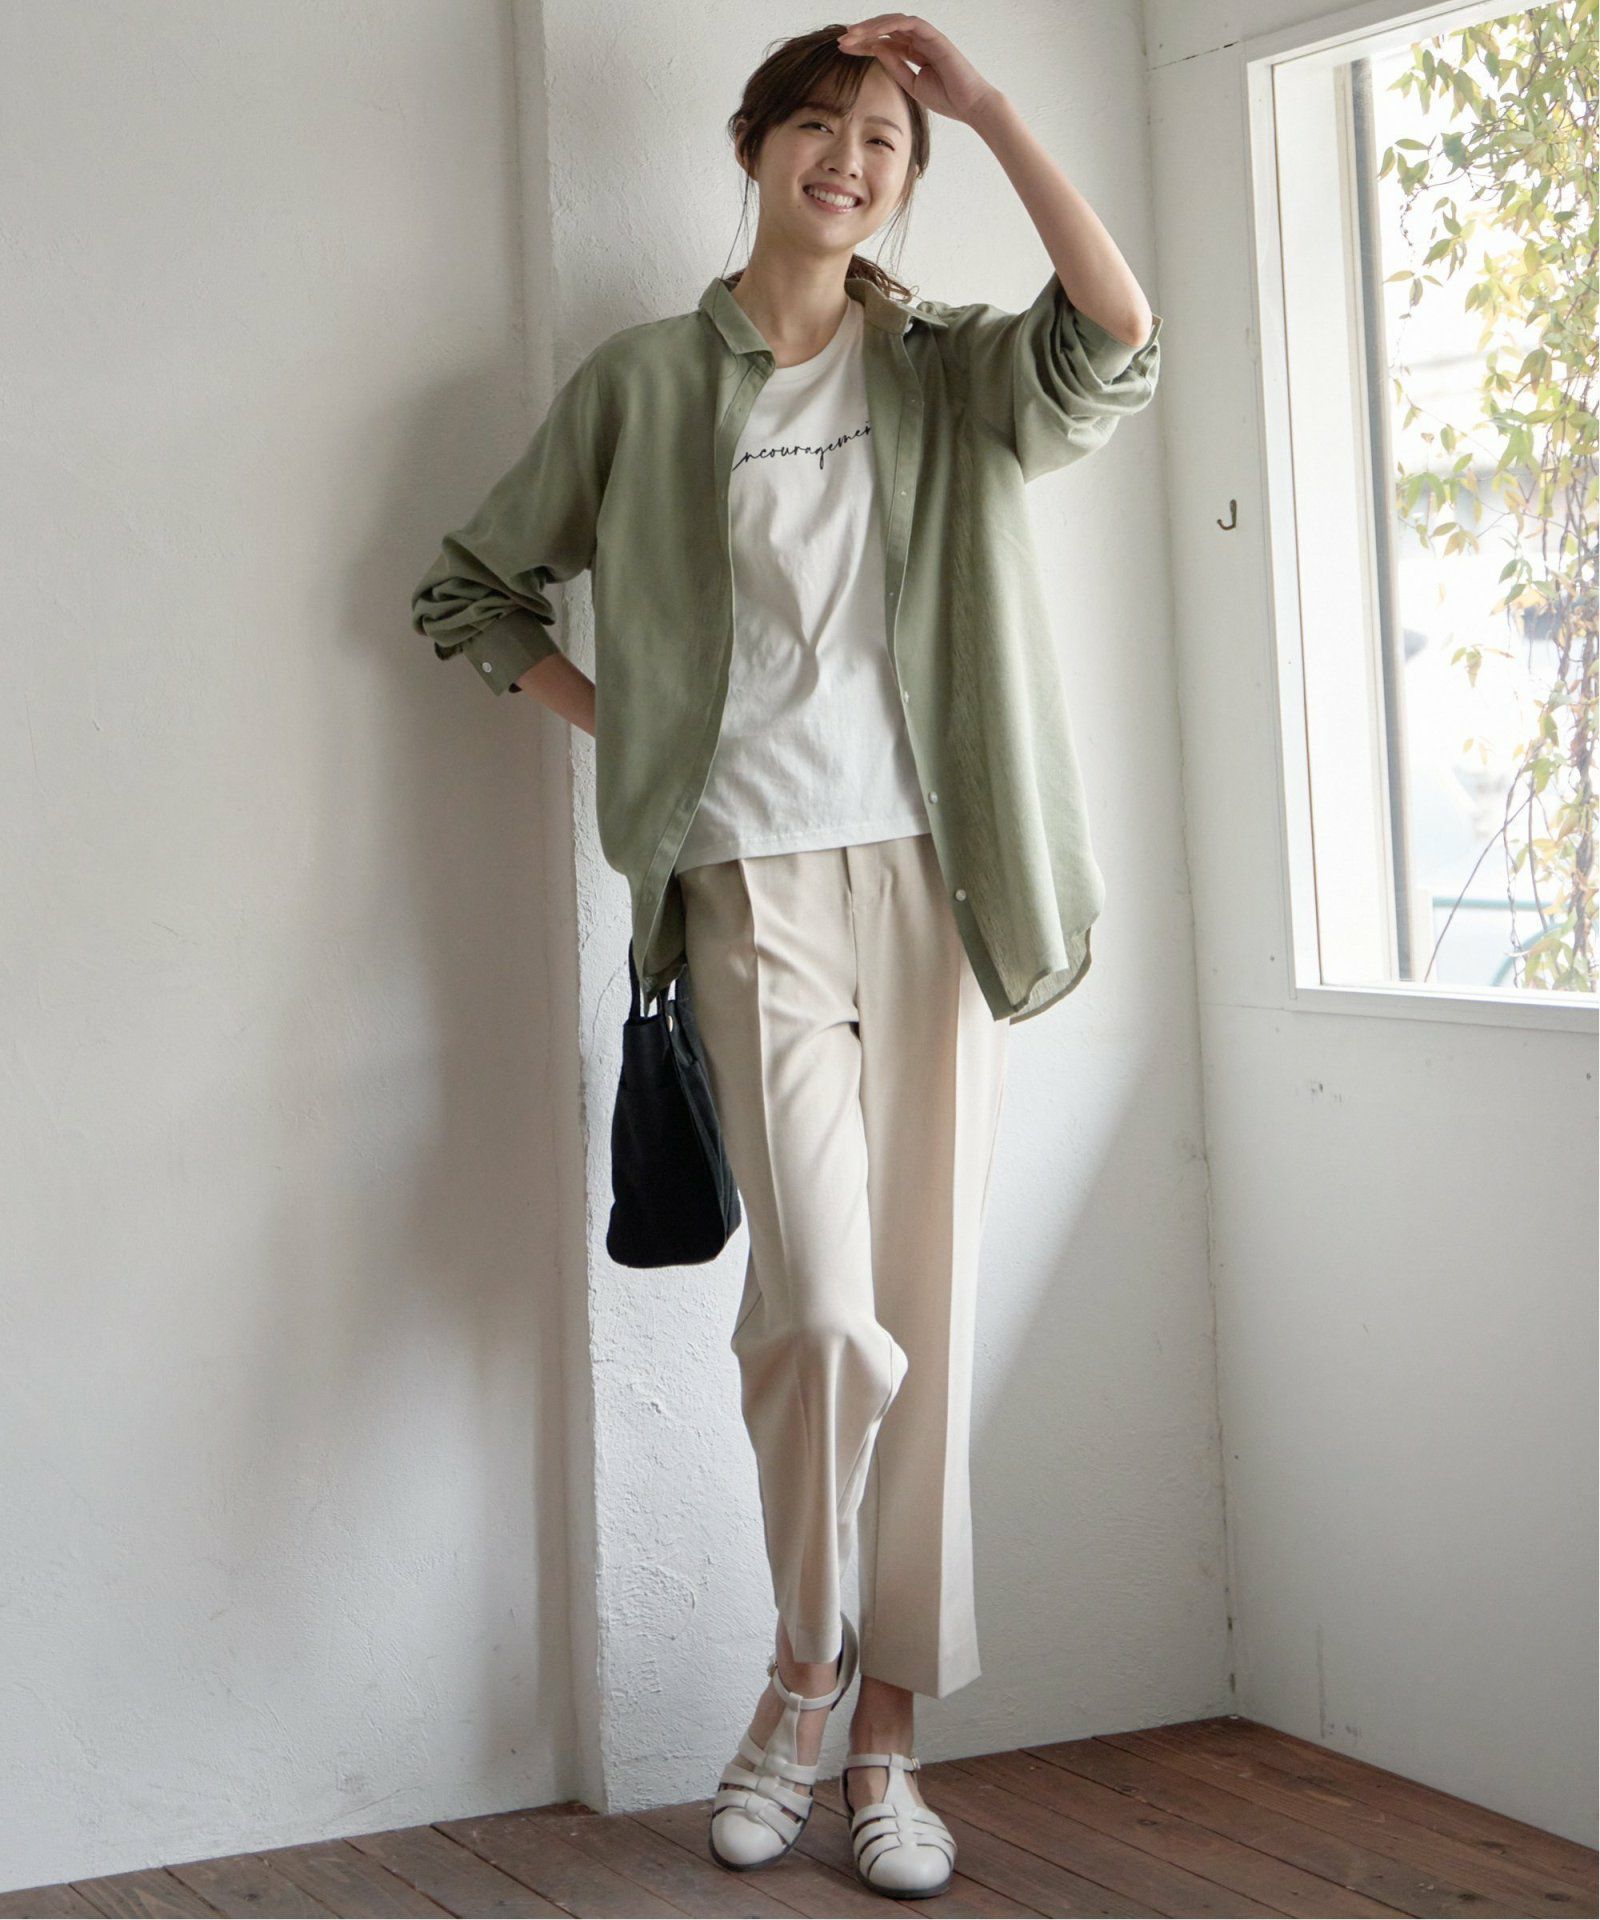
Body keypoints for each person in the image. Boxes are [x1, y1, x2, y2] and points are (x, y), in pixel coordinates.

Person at [409, 12, 1161, 1898]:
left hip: (944, 881)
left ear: (909, 182)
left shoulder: (947, 371)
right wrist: (638, 737)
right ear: (753, 146)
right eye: (818, 125)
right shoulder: (647, 383)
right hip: (748, 885)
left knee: (928, 1312)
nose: (849, 157)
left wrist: (989, 108)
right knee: (821, 1316)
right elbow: (471, 590)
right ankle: (802, 1672)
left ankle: (881, 1736)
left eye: (886, 141)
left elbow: (1117, 333)